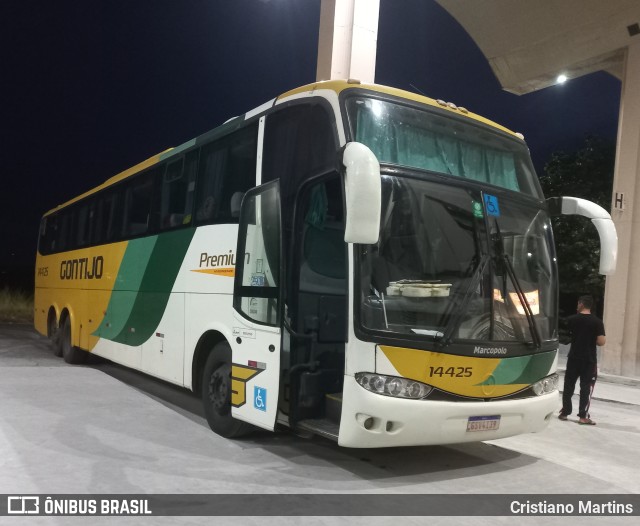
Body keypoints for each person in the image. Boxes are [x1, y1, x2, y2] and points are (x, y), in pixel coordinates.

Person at [559, 295, 606, 425]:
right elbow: (601, 342)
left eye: (577, 303)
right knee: (586, 387)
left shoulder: (572, 320)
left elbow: (566, 337)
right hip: (589, 359)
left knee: (569, 385)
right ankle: (583, 416)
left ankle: (564, 412)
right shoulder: (597, 322)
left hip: (573, 357)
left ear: (581, 304)